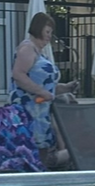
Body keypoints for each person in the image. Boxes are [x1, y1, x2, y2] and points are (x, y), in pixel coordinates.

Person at [9, 13, 69, 159]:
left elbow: (46, 85)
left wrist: (65, 88)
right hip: (28, 108)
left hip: (40, 110)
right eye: (47, 32)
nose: (49, 36)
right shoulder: (27, 48)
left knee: (42, 149)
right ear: (38, 29)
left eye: (51, 32)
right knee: (30, 150)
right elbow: (18, 75)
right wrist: (42, 92)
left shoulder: (39, 52)